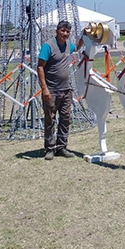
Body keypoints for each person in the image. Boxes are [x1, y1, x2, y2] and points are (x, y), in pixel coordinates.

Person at [37, 20, 82, 160]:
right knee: (50, 119)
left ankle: (62, 147)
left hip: (66, 90)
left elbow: (78, 47)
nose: (65, 34)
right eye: (62, 31)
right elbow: (40, 67)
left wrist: (84, 35)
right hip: (52, 90)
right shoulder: (48, 46)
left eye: (67, 32)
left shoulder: (68, 45)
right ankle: (50, 148)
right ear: (56, 31)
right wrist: (44, 89)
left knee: (65, 119)